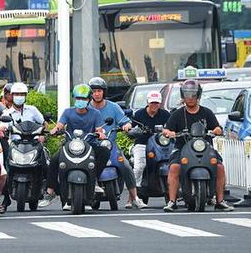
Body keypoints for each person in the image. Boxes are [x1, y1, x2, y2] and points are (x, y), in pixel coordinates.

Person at [162, 80, 234, 212]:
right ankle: (172, 201)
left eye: (193, 95)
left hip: (205, 148)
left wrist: (217, 130)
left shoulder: (207, 112)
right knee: (174, 168)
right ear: (183, 96)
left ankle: (220, 201)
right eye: (187, 95)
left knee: (219, 167)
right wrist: (169, 133)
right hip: (182, 148)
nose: (190, 98)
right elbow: (166, 129)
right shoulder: (177, 114)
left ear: (198, 96)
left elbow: (217, 127)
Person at [39, 84, 111, 210]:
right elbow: (59, 125)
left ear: (89, 100)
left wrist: (100, 134)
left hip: (89, 145)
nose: (80, 101)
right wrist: (55, 130)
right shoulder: (68, 112)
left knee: (105, 151)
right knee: (54, 161)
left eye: (83, 99)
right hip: (70, 145)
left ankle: (94, 179)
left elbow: (100, 130)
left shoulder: (95, 114)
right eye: (78, 98)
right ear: (74, 99)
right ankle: (50, 191)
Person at [88, 77, 146, 209]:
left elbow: (125, 121)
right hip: (90, 146)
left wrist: (127, 125)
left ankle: (135, 197)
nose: (96, 94)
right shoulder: (86, 108)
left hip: (110, 145)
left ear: (104, 92)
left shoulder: (113, 107)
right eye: (94, 91)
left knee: (126, 166)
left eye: (99, 91)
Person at [131, 91, 170, 188]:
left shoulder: (165, 114)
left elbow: (171, 127)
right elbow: (131, 127)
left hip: (160, 145)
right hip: (142, 144)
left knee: (173, 164)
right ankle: (134, 192)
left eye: (156, 103)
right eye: (152, 102)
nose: (154, 105)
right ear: (147, 102)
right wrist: (132, 130)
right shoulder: (139, 114)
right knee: (139, 167)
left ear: (160, 103)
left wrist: (168, 131)